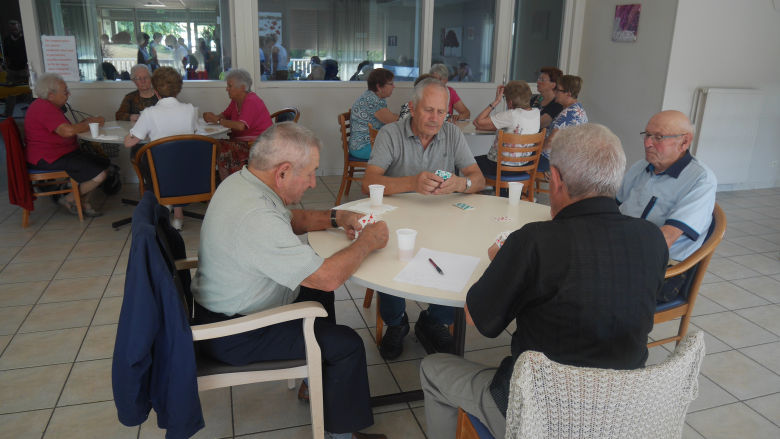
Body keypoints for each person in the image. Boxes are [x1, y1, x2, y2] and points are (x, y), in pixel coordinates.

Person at [420, 123, 669, 439]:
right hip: (619, 412)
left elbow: (476, 319)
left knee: (433, 369)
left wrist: (506, 264)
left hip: (542, 419)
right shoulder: (652, 238)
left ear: (555, 179)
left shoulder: (534, 241)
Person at [191, 123, 389, 439]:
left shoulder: (243, 183)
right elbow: (329, 277)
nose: (313, 183)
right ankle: (341, 435)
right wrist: (368, 241)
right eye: (310, 173)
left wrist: (339, 217)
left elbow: (290, 219)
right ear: (282, 173)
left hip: (225, 306)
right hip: (235, 333)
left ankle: (316, 386)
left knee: (317, 297)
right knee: (347, 344)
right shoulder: (256, 217)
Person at [362, 78, 486, 360]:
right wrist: (411, 184)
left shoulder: (453, 134)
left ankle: (434, 319)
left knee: (457, 253)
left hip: (441, 217)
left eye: (441, 112)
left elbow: (477, 179)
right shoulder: (390, 134)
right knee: (389, 256)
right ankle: (396, 323)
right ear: (412, 108)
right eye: (428, 110)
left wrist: (460, 184)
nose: (435, 118)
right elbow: (368, 183)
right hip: (397, 217)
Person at [617, 110, 717, 302]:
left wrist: (615, 254)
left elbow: (666, 238)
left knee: (589, 286)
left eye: (659, 137)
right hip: (624, 251)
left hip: (663, 269)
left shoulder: (701, 180)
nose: (647, 143)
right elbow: (613, 208)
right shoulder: (641, 167)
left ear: (684, 142)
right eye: (647, 135)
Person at [24, 73, 109, 217]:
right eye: (65, 92)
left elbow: (65, 129)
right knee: (99, 174)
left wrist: (85, 123)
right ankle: (69, 199)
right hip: (48, 157)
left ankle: (81, 201)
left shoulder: (48, 106)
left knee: (104, 163)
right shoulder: (43, 108)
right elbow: (67, 131)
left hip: (62, 153)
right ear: (51, 95)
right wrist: (89, 124)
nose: (68, 94)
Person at [124, 67, 198, 230]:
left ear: (155, 91)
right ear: (178, 90)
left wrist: (132, 131)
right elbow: (192, 133)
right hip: (186, 168)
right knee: (176, 159)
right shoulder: (190, 109)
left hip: (160, 171)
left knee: (153, 161)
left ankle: (165, 205)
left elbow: (130, 142)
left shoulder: (150, 113)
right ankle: (178, 216)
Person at [203, 68, 273, 180]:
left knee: (216, 147)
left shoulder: (251, 101)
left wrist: (217, 120)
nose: (227, 89)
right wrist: (212, 117)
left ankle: (230, 182)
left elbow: (241, 126)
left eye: (229, 86)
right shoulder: (236, 101)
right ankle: (224, 181)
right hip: (243, 141)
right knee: (212, 145)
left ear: (243, 87)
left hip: (257, 144)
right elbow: (225, 115)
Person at [472, 80, 541, 177]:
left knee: (464, 163)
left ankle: (467, 190)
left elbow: (477, 122)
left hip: (501, 167)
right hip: (524, 166)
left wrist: (496, 101)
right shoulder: (536, 112)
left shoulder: (511, 115)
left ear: (510, 102)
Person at [541, 74, 588, 173]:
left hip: (554, 162)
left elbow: (550, 142)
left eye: (558, 90)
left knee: (517, 162)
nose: (555, 92)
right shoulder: (578, 109)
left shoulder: (567, 115)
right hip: (567, 161)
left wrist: (535, 151)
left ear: (568, 93)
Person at [348, 68, 398, 160]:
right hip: (363, 147)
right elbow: (392, 120)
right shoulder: (371, 100)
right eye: (391, 84)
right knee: (399, 151)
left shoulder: (377, 98)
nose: (394, 86)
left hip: (370, 143)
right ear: (379, 86)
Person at [2, 20, 28, 118]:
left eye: (16, 28)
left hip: (24, 69)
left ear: (19, 27)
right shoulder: (7, 40)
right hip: (12, 69)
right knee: (10, 92)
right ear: (10, 30)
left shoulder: (25, 39)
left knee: (29, 91)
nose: (14, 30)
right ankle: (8, 113)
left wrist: (28, 66)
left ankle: (33, 112)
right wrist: (6, 66)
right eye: (12, 29)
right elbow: (6, 54)